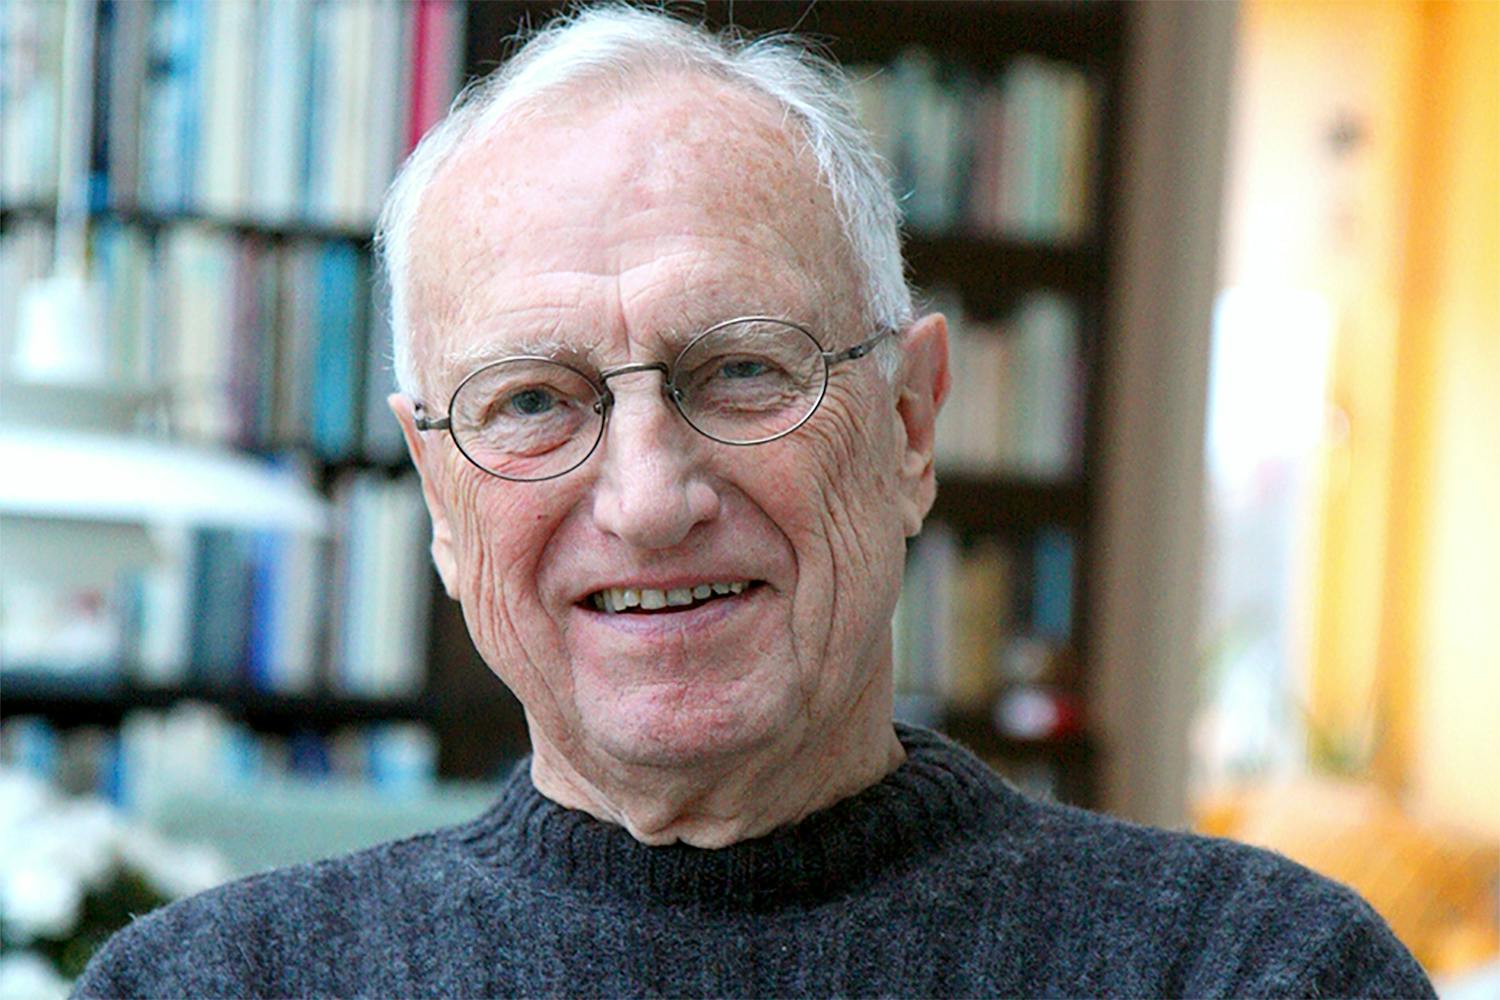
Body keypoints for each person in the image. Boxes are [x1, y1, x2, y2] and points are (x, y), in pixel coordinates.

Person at [76, 6, 1433, 997]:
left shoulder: (1260, 971)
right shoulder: (204, 986)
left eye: (740, 371)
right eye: (532, 401)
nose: (649, 499)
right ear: (439, 490)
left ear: (909, 423)